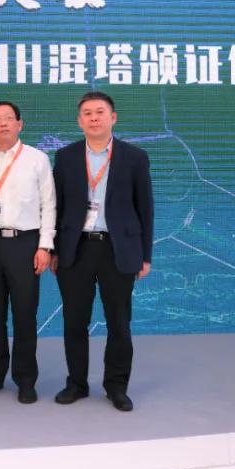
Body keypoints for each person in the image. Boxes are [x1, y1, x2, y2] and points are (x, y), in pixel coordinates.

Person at [52, 91, 153, 412]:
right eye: (87, 113)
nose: (94, 118)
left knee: (119, 323)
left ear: (113, 117)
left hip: (117, 249)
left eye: (100, 112)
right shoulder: (65, 157)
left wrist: (145, 255)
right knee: (74, 322)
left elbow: (145, 209)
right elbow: (57, 207)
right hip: (75, 249)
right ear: (79, 120)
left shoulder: (135, 157)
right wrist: (54, 249)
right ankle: (76, 383)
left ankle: (116, 387)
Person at [0, 101, 55, 404]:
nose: (3, 123)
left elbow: (49, 204)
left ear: (20, 124)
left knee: (24, 314)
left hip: (25, 243)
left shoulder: (37, 159)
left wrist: (45, 246)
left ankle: (26, 379)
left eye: (9, 118)